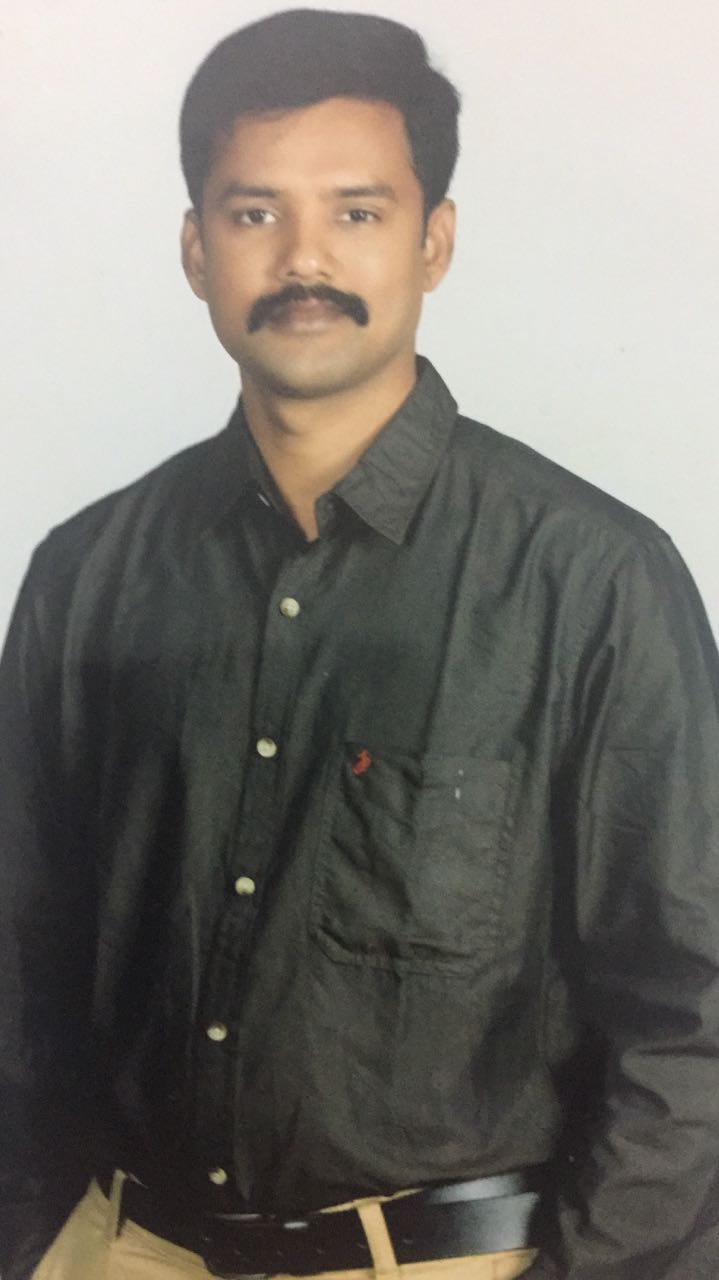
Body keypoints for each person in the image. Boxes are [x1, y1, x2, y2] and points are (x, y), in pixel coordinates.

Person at [1, 8, 717, 1279]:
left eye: (357, 211)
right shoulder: (87, 575)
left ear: (433, 240)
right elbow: (17, 956)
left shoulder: (590, 580)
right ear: (194, 247)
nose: (303, 258)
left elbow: (689, 1009)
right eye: (253, 212)